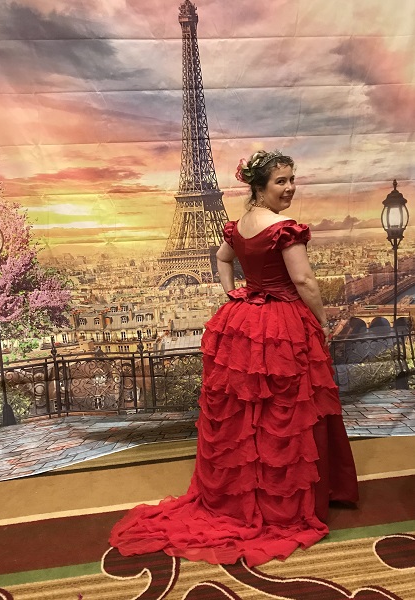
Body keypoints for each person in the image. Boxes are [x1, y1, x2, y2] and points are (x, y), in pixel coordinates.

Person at [109, 149, 358, 567]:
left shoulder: (240, 225)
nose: (290, 187)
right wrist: (320, 320)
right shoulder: (283, 228)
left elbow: (223, 259)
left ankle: (243, 496)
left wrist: (235, 293)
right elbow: (303, 279)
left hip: (245, 321)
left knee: (248, 414)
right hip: (282, 323)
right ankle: (285, 500)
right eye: (281, 181)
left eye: (292, 179)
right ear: (259, 187)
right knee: (288, 411)